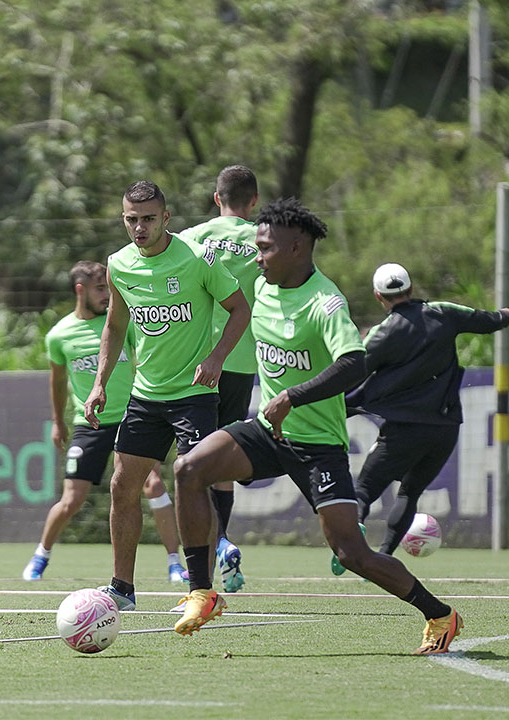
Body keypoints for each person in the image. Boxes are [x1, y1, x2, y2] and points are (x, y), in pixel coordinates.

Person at [172, 198, 463, 655]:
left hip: (316, 446)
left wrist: (292, 395)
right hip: (269, 432)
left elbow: (354, 363)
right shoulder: (262, 286)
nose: (256, 255)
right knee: (189, 469)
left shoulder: (325, 302)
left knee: (351, 553)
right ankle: (202, 593)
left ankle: (440, 613)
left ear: (296, 248)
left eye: (265, 248)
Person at [82, 180, 250, 610]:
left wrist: (216, 358)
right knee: (122, 486)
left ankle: (201, 590)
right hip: (145, 395)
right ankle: (122, 588)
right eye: (131, 220)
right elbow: (115, 325)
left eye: (148, 219)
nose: (139, 228)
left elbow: (239, 309)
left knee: (192, 484)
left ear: (166, 218)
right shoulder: (118, 264)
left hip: (193, 395)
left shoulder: (197, 258)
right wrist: (100, 382)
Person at [21, 261, 188, 584]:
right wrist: (58, 423)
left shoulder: (119, 323)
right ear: (80, 290)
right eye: (101, 289)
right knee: (72, 499)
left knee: (153, 485)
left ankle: (174, 563)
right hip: (89, 424)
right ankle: (41, 555)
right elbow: (57, 383)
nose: (107, 296)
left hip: (131, 417)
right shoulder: (59, 335)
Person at [341, 262, 509, 565]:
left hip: (403, 430)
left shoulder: (381, 334)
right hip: (445, 429)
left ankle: (351, 550)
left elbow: (352, 371)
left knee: (364, 490)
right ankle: (384, 558)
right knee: (410, 492)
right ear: (411, 289)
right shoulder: (443, 313)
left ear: (378, 296)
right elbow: (493, 321)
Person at [176, 165, 262, 593]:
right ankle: (223, 538)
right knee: (221, 457)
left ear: (216, 198)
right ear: (254, 202)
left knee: (190, 462)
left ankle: (209, 553)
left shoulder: (191, 238)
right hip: (242, 360)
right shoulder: (264, 240)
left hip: (195, 362)